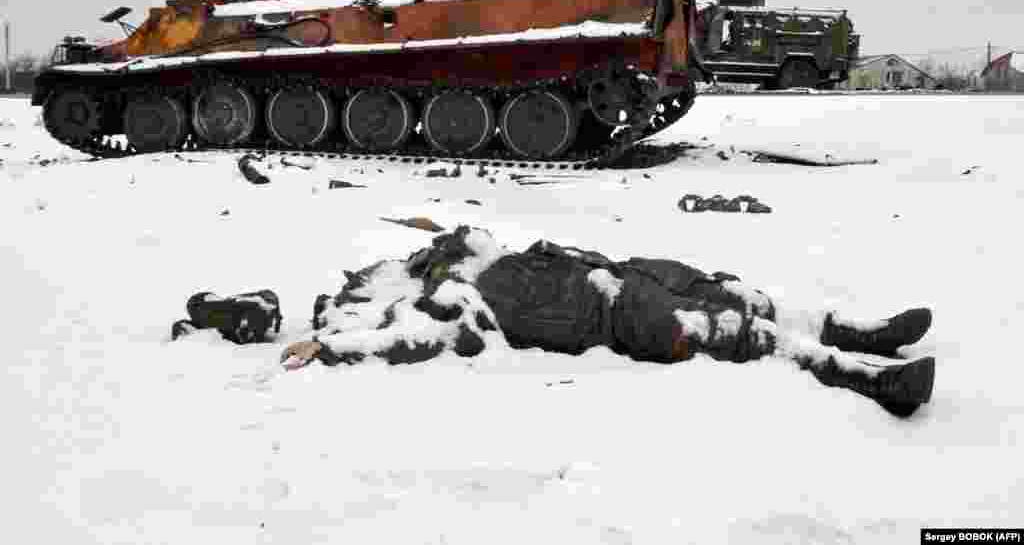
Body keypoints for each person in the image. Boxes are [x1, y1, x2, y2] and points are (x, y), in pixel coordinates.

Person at [278, 225, 935, 418]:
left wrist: (456, 239)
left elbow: (476, 239)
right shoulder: (438, 303)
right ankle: (872, 381)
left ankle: (858, 331)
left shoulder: (461, 253)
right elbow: (409, 342)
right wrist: (332, 348)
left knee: (729, 289)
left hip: (611, 266)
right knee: (724, 330)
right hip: (607, 312)